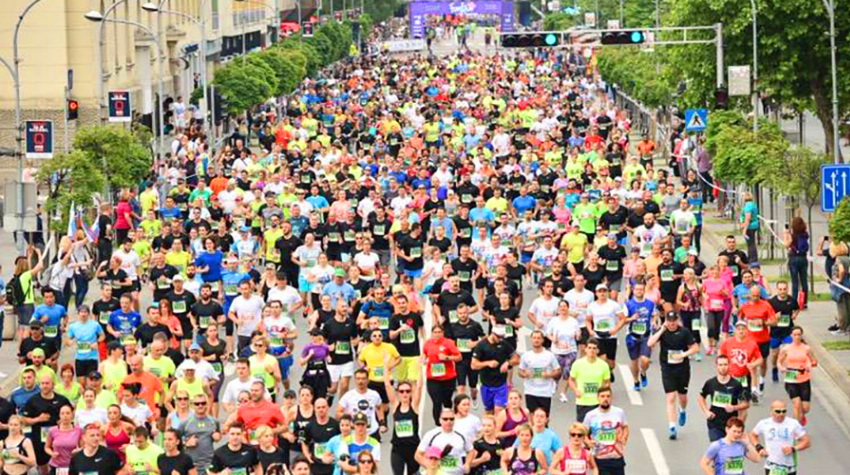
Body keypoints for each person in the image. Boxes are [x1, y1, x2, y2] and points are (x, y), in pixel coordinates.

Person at [648, 312, 699, 440]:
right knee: (670, 398)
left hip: (682, 369)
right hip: (667, 368)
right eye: (669, 321)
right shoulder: (663, 331)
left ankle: (682, 410)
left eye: (673, 321)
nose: (671, 323)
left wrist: (683, 355)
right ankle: (672, 427)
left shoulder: (684, 332)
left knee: (682, 397)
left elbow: (695, 348)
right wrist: (662, 329)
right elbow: (650, 343)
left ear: (677, 320)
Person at [749, 400, 810, 475]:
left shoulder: (793, 423)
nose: (781, 414)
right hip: (771, 466)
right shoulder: (764, 423)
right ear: (771, 411)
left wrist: (793, 449)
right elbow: (752, 435)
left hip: (789, 467)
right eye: (778, 411)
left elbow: (806, 442)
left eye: (784, 411)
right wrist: (759, 448)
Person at [698, 355, 749, 442]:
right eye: (720, 365)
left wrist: (734, 408)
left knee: (729, 448)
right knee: (717, 445)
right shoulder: (710, 383)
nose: (723, 367)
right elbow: (701, 397)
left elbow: (746, 404)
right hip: (715, 423)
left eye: (725, 364)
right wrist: (706, 411)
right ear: (716, 366)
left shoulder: (736, 384)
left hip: (731, 425)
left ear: (729, 365)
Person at [471, 326, 518, 416]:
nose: (500, 339)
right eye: (499, 337)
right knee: (489, 412)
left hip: (501, 384)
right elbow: (473, 365)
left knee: (499, 411)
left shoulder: (504, 344)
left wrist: (508, 363)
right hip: (486, 384)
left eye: (502, 337)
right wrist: (488, 363)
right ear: (493, 334)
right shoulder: (481, 345)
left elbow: (516, 359)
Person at [777, 326, 817, 425]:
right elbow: (779, 361)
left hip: (804, 378)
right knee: (797, 403)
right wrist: (781, 368)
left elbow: (814, 361)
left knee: (805, 408)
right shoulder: (786, 349)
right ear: (791, 335)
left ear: (801, 335)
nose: (797, 337)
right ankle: (795, 428)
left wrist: (810, 365)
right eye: (795, 335)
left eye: (799, 335)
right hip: (791, 377)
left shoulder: (806, 348)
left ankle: (801, 416)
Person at [415, 408, 474, 475]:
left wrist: (467, 464)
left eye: (451, 419)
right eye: (445, 419)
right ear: (440, 420)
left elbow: (471, 451)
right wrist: (429, 466)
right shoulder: (431, 435)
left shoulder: (462, 435)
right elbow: (418, 455)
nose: (448, 421)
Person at [177, 392, 221, 475]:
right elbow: (175, 441)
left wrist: (218, 437)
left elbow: (218, 435)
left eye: (203, 403)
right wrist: (186, 443)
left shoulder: (214, 421)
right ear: (192, 405)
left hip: (209, 462)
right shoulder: (185, 423)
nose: (200, 406)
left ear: (207, 404)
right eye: (197, 404)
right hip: (191, 463)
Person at [385, 376, 422, 475]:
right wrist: (386, 367)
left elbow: (419, 387)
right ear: (397, 393)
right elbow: (387, 385)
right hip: (398, 449)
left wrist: (420, 369)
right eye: (401, 391)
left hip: (413, 449)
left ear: (411, 393)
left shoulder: (414, 406)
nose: (405, 394)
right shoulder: (395, 406)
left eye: (407, 391)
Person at [569, 338, 611, 423]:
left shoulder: (603, 365)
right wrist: (575, 390)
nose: (592, 350)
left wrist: (604, 396)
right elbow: (571, 380)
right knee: (582, 427)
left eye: (594, 348)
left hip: (597, 402)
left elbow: (607, 382)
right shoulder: (578, 364)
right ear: (585, 349)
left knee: (597, 427)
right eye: (589, 348)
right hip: (582, 401)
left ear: (598, 351)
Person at [518, 330, 560, 414]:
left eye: (538, 338)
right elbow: (520, 371)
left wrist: (549, 374)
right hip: (530, 390)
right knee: (531, 416)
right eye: (534, 338)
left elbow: (558, 371)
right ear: (531, 339)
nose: (536, 340)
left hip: (545, 391)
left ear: (542, 340)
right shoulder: (526, 355)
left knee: (543, 417)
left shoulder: (549, 355)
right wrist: (525, 374)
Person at [624, 281, 656, 391]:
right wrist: (631, 319)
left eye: (641, 289)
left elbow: (654, 315)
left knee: (645, 360)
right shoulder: (628, 304)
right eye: (637, 289)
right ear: (633, 290)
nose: (639, 291)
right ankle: (636, 381)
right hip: (632, 336)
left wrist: (654, 322)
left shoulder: (650, 304)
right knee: (634, 361)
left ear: (644, 290)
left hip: (646, 336)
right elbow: (623, 320)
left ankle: (643, 372)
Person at [44, 403, 82, 474]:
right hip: (56, 466)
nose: (65, 416)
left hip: (73, 466)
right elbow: (47, 447)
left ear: (72, 415)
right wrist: (52, 453)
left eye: (68, 413)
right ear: (59, 415)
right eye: (62, 413)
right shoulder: (52, 430)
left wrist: (78, 451)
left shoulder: (79, 430)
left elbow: (83, 447)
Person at [784, 217, 809, 308]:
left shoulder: (792, 235)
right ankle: (804, 302)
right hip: (803, 258)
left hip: (794, 258)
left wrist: (785, 234)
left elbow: (786, 245)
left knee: (795, 281)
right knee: (804, 280)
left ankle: (794, 301)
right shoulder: (805, 235)